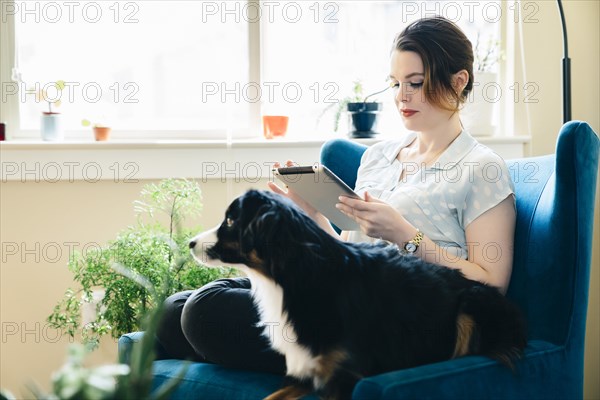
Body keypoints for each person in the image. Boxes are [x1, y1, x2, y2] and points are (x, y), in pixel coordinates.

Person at [156, 16, 516, 374]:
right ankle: (288, 358)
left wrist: (405, 235)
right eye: (395, 84)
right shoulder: (378, 157)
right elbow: (346, 252)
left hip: (386, 316)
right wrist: (310, 215)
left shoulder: (481, 168)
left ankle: (323, 361)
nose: (401, 97)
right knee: (173, 313)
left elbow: (490, 284)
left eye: (416, 83)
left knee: (203, 313)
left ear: (459, 81)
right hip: (336, 296)